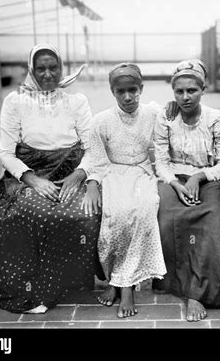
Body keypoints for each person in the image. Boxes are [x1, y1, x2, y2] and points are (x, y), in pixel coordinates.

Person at [0, 43, 100, 314]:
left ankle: (68, 281)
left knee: (82, 214)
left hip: (71, 172)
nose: (47, 74)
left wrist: (79, 173)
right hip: (29, 175)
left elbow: (92, 146)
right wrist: (32, 180)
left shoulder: (76, 101)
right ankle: (31, 289)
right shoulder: (15, 101)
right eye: (41, 68)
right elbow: (6, 153)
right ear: (32, 71)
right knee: (29, 212)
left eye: (53, 67)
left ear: (61, 69)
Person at [80, 63, 170, 318]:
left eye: (133, 90)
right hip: (114, 174)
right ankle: (116, 280)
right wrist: (92, 184)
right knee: (116, 216)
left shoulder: (153, 113)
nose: (128, 96)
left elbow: (173, 113)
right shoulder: (101, 121)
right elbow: (96, 159)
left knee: (143, 211)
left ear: (141, 89)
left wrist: (173, 106)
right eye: (121, 91)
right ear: (113, 92)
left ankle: (125, 287)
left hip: (142, 173)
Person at [153, 59, 220, 322]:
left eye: (192, 90)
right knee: (166, 217)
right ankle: (170, 282)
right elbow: (161, 162)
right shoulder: (166, 117)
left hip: (208, 177)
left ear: (203, 89)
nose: (185, 97)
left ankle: (197, 293)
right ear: (173, 92)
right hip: (173, 176)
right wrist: (175, 183)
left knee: (210, 221)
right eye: (179, 91)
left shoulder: (216, 118)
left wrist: (198, 177)